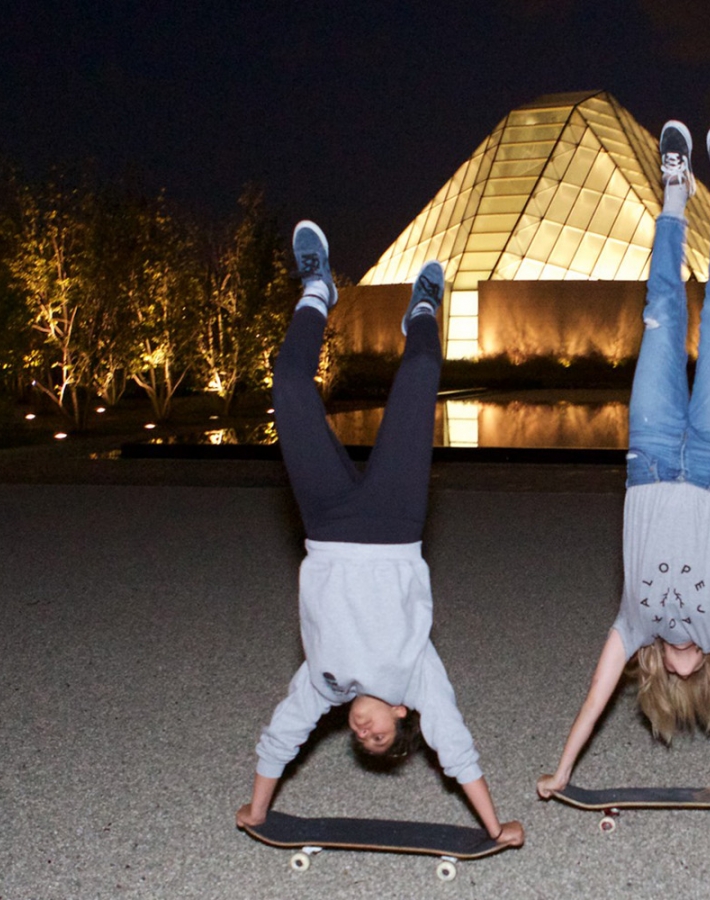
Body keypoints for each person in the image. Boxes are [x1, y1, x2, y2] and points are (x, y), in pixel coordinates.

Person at [537, 122, 710, 806]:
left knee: (660, 307)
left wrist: (562, 771)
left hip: (651, 455)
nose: (687, 664)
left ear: (658, 673)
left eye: (676, 675)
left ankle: (670, 193)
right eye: (700, 676)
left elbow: (595, 697)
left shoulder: (633, 627)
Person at [236, 221, 525, 849]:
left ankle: (316, 291)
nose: (365, 735)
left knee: (288, 391)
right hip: (394, 526)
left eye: (360, 742)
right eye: (381, 738)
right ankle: (422, 310)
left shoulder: (324, 684)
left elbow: (282, 734)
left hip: (328, 525)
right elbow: (454, 745)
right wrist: (494, 826)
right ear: (399, 715)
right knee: (419, 375)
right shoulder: (413, 678)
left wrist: (258, 810)